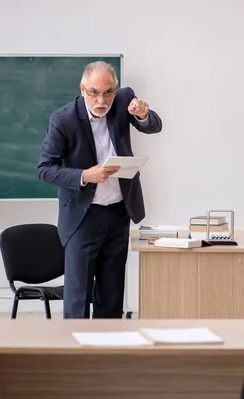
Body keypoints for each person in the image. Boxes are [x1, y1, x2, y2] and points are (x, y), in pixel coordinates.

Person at [37, 61, 162, 319]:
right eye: (94, 92)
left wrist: (141, 114)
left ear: (115, 89)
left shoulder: (124, 99)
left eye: (108, 92)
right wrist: (84, 175)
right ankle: (76, 357)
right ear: (82, 89)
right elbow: (45, 169)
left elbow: (154, 125)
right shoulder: (63, 119)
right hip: (83, 218)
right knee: (78, 298)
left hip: (119, 214)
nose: (101, 99)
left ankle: (107, 354)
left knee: (112, 296)